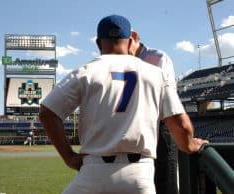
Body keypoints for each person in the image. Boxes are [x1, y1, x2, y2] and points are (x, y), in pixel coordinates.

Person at [39, 14, 208, 194]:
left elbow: (47, 112)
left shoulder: (85, 71)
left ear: (98, 43)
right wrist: (190, 144)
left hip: (93, 170)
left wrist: (69, 157)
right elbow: (179, 124)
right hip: (139, 174)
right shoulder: (155, 73)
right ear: (129, 41)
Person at [129, 31, 179, 194]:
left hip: (160, 126)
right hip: (136, 129)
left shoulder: (157, 57)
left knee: (165, 180)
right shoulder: (123, 61)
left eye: (126, 41)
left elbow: (166, 97)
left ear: (135, 37)